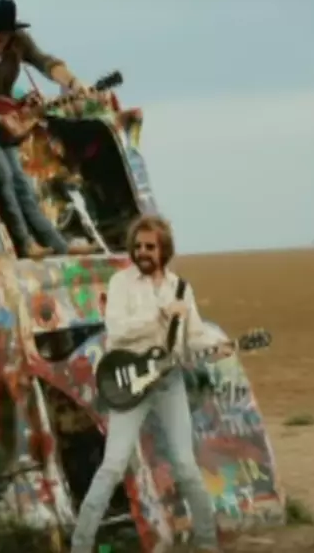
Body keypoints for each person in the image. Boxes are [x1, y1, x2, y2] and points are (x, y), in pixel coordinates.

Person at [71, 214, 232, 553]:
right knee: (113, 465)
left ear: (164, 249)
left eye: (151, 247)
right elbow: (117, 331)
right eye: (138, 246)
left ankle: (207, 544)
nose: (143, 252)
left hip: (168, 383)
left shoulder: (181, 289)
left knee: (186, 466)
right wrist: (159, 314)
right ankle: (81, 546)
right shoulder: (121, 284)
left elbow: (194, 336)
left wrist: (218, 347)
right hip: (127, 384)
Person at [0, 0, 99, 259]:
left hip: (6, 124)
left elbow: (46, 63)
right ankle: (24, 244)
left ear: (11, 33)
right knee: (3, 175)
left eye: (0, 31)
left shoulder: (19, 44)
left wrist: (74, 82)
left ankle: (59, 247)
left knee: (22, 183)